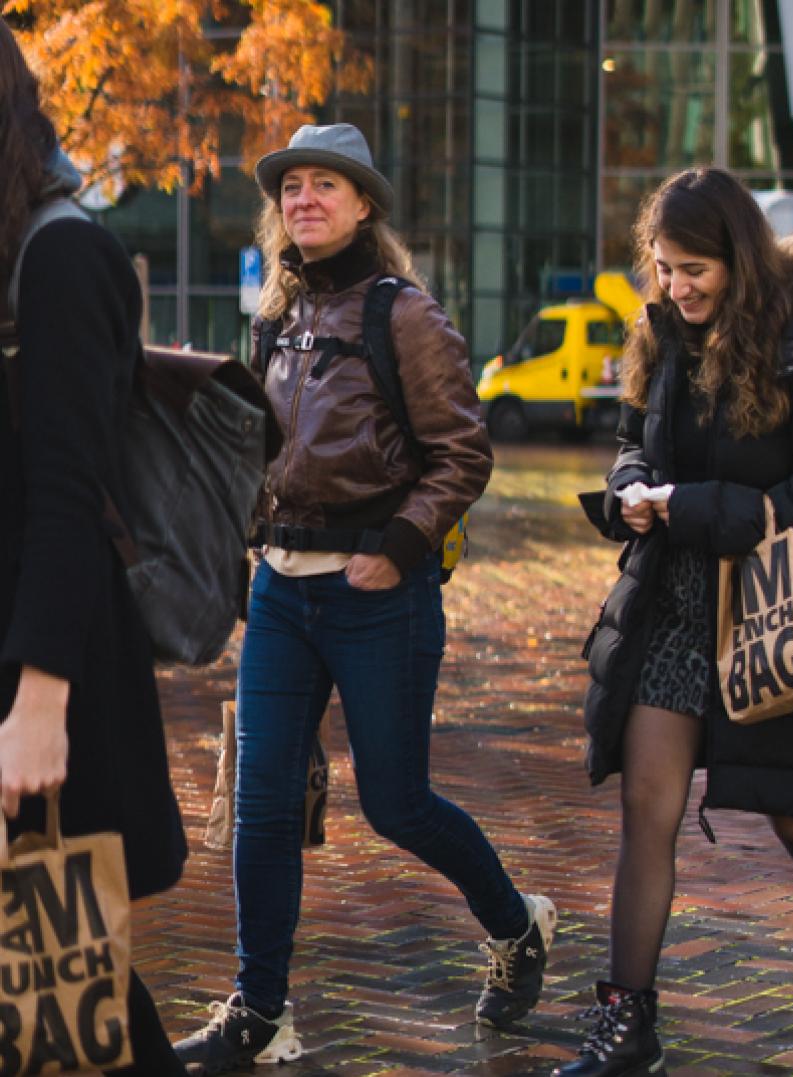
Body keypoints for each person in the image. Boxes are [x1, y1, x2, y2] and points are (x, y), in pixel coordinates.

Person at [174, 124, 555, 1074]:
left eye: (324, 186)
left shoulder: (403, 314)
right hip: (281, 597)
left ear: (363, 205)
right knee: (262, 806)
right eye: (291, 187)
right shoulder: (275, 320)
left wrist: (394, 549)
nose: (303, 199)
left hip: (378, 593)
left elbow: (463, 451)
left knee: (396, 802)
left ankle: (517, 926)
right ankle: (259, 1007)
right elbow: (267, 452)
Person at [565, 167, 793, 1076]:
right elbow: (634, 441)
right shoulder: (662, 337)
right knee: (649, 813)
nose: (677, 288)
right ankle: (627, 1019)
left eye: (696, 270)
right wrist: (630, 491)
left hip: (773, 610)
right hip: (675, 610)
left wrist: (714, 505)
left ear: (738, 261)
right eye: (665, 268)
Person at [0, 21, 189, 1075]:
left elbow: (71, 501)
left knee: (68, 996)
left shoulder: (63, 255)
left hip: (42, 680)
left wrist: (36, 707)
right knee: (63, 995)